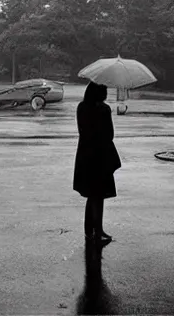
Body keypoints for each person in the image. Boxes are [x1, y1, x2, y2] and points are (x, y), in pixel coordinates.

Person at [73, 82, 122, 242]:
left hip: (85, 155)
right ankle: (98, 230)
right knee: (98, 195)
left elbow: (83, 130)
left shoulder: (81, 107)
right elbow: (109, 135)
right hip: (100, 157)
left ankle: (89, 229)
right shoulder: (104, 109)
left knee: (91, 194)